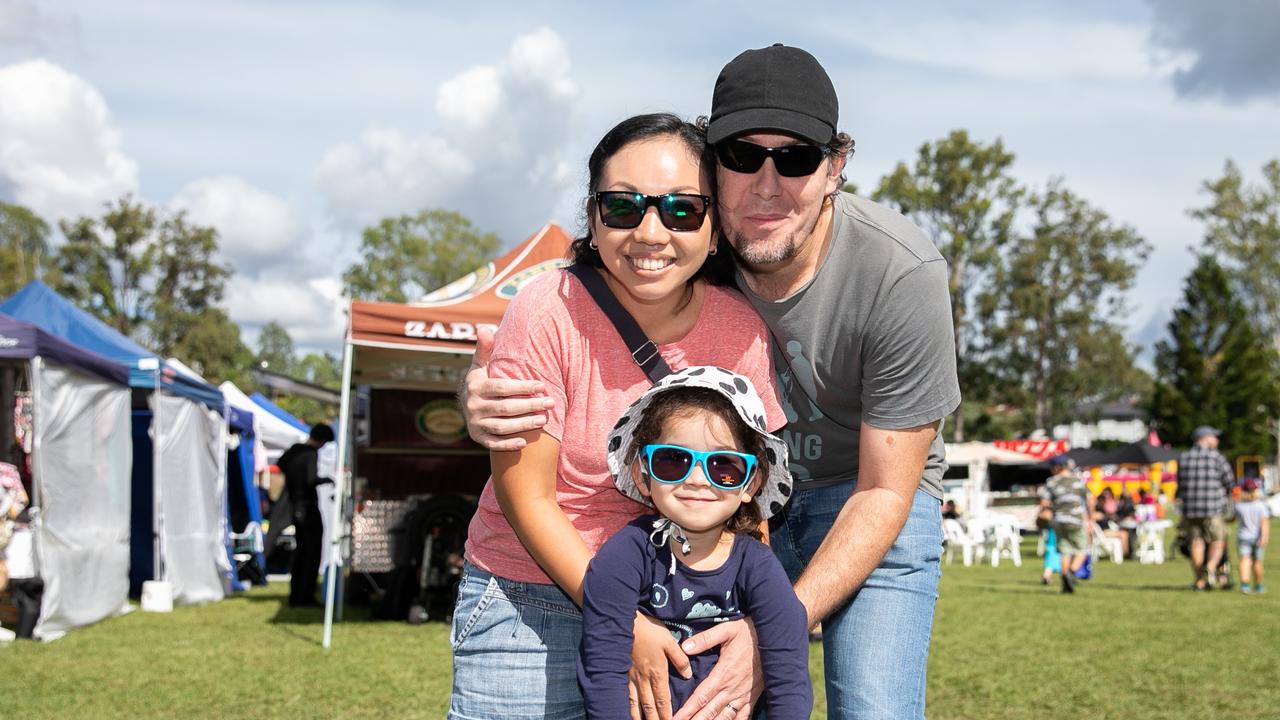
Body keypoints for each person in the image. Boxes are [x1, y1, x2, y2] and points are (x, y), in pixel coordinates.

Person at [464, 44, 960, 720]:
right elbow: (529, 466)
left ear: (835, 166)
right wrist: (485, 397)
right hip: (634, 555)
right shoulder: (670, 255)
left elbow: (882, 490)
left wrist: (769, 629)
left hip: (857, 496)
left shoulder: (896, 275)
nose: (765, 183)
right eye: (740, 156)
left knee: (873, 705)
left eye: (795, 158)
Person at [447, 113, 786, 720]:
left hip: (687, 607)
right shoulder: (547, 308)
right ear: (594, 218)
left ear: (714, 231)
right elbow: (527, 493)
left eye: (681, 210)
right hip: (530, 599)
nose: (651, 232)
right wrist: (620, 620)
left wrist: (749, 617)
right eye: (624, 207)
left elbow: (748, 494)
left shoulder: (742, 329)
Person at [579, 367, 810, 719]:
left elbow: (787, 674)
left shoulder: (759, 566)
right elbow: (603, 670)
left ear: (751, 483)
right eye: (674, 460)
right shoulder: (624, 556)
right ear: (644, 474)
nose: (698, 479)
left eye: (724, 466)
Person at [277, 423, 334, 607]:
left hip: (295, 506)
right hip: (308, 506)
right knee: (312, 552)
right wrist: (327, 480)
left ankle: (296, 595)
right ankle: (306, 595)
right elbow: (311, 479)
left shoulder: (294, 451)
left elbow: (281, 464)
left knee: (300, 552)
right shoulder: (310, 454)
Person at [1175, 425, 1235, 591]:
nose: (1217, 440)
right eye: (1214, 437)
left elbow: (1180, 485)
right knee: (1218, 541)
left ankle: (1199, 581)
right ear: (1204, 438)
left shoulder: (1184, 458)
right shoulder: (1216, 457)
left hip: (1190, 510)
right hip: (1213, 509)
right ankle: (1210, 567)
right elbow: (1230, 482)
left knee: (1196, 543)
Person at [1038, 456, 1094, 594]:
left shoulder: (1051, 482)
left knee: (1065, 551)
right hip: (1076, 520)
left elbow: (1043, 504)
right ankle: (1071, 572)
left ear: (1057, 467)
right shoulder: (1077, 481)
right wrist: (1091, 519)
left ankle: (1065, 579)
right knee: (1082, 549)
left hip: (1058, 521)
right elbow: (1091, 499)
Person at [1234, 478, 1269, 594]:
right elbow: (1264, 523)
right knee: (1257, 562)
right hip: (1257, 537)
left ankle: (1245, 585)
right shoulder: (1260, 505)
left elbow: (1232, 518)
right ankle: (1259, 586)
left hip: (1243, 537)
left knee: (1245, 560)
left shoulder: (1239, 506)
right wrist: (1264, 537)